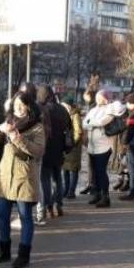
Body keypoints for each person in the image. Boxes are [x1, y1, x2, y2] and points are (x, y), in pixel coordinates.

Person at [0, 91, 45, 268]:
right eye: (15, 104)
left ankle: (24, 255)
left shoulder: (37, 127)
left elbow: (38, 151)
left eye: (22, 104)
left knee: (25, 216)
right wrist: (0, 129)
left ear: (29, 106)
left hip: (24, 176)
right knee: (2, 216)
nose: (18, 108)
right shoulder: (9, 121)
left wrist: (18, 139)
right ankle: (4, 250)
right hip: (5, 177)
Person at [37, 85, 72, 217]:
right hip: (59, 149)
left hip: (45, 149)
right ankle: (59, 204)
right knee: (58, 178)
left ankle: (47, 205)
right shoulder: (62, 109)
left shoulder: (41, 109)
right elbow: (69, 127)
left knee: (45, 179)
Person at [82, 90, 116, 208]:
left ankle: (105, 196)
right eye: (97, 97)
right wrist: (91, 123)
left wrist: (91, 122)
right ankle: (96, 193)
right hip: (92, 146)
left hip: (104, 146)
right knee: (95, 172)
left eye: (100, 97)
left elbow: (103, 121)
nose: (98, 99)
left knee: (101, 172)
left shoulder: (109, 109)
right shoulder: (93, 109)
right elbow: (84, 123)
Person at [61, 95, 83, 199]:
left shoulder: (75, 115)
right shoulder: (66, 114)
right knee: (65, 168)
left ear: (69, 106)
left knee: (73, 169)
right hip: (67, 145)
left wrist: (73, 143)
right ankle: (66, 189)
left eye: (64, 105)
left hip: (73, 147)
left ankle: (71, 190)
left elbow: (78, 131)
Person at [79, 89, 96, 195]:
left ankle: (93, 185)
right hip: (90, 139)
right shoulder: (90, 106)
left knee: (93, 164)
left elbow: (89, 122)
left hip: (93, 139)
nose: (84, 98)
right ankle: (90, 184)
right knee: (90, 164)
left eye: (86, 96)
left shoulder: (93, 107)